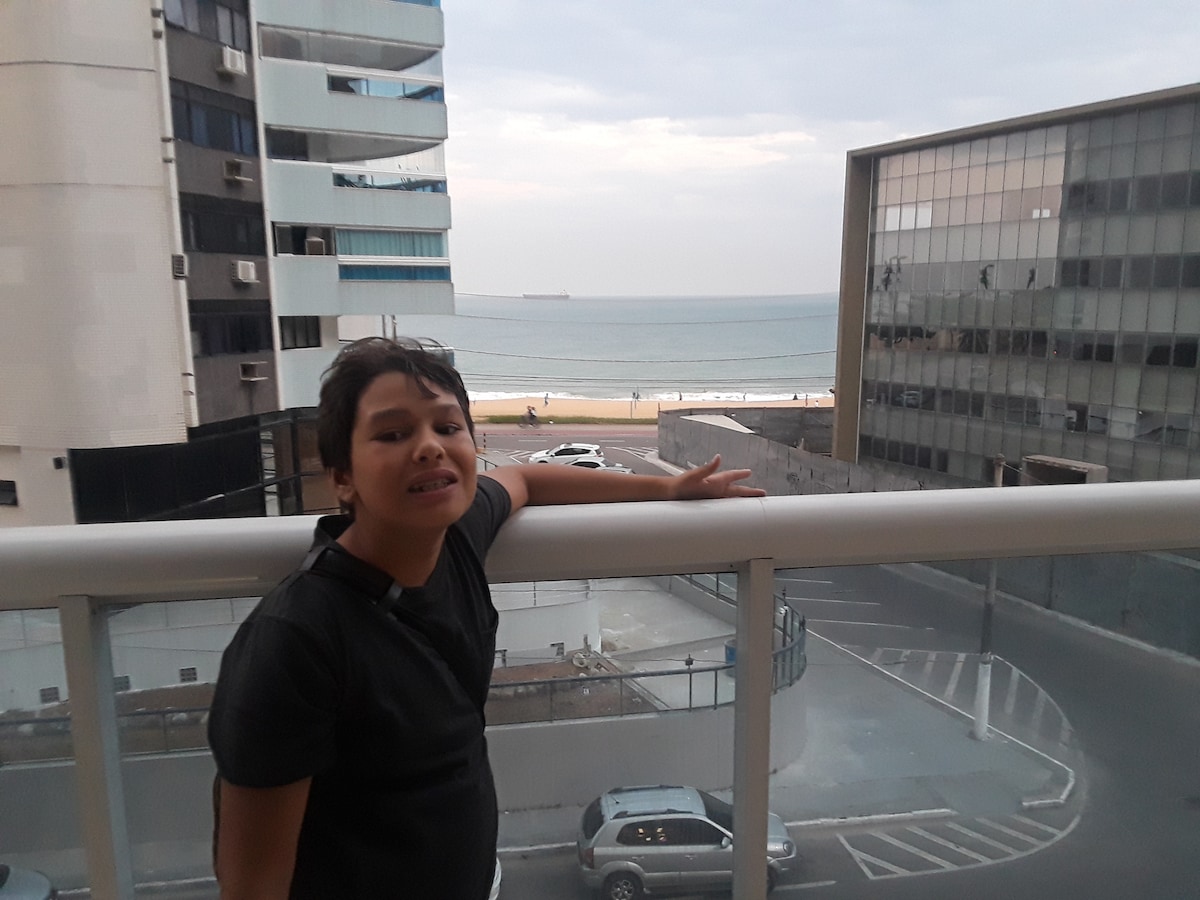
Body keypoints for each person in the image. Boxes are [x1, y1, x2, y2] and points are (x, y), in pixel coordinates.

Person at [206, 337, 764, 900]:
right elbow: (252, 886)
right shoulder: (295, 642)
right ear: (342, 476)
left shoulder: (454, 541)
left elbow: (525, 479)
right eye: (393, 434)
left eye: (448, 427)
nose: (430, 447)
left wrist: (667, 487)